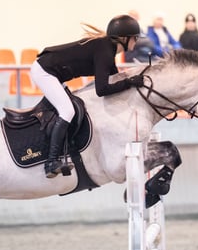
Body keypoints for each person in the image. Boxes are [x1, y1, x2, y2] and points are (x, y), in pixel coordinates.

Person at [31, 14, 145, 178]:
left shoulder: (106, 49)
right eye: (135, 38)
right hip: (45, 72)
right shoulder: (104, 51)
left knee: (72, 109)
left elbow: (115, 79)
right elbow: (102, 89)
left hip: (52, 72)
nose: (136, 41)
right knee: (67, 111)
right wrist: (130, 82)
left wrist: (132, 81)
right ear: (123, 38)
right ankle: (51, 162)